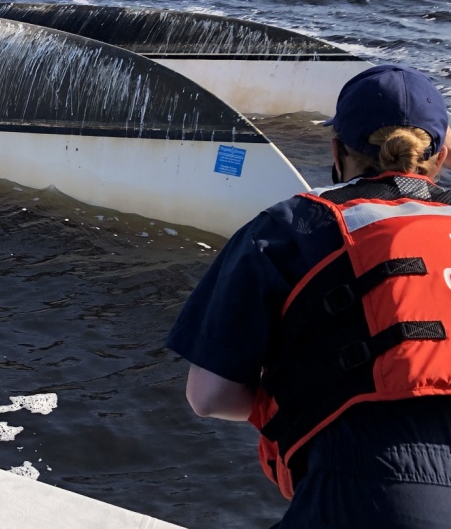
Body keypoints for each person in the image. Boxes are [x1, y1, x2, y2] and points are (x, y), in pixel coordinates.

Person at [167, 63, 451, 528]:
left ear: (337, 151)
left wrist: (298, 397)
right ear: (438, 158)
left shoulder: (288, 229)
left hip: (375, 491)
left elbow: (209, 397)